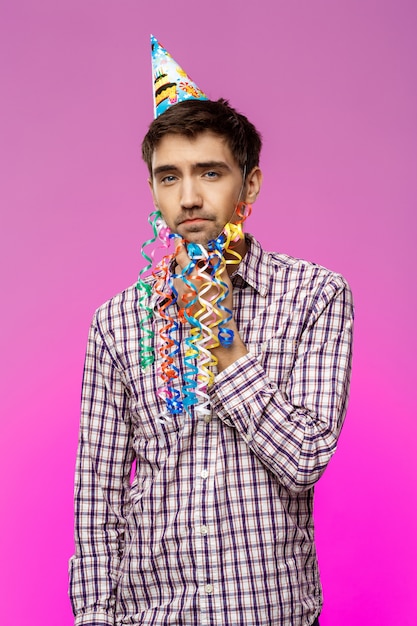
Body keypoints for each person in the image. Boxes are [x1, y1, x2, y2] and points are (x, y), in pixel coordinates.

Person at [69, 40, 353, 626]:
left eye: (211, 173)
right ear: (152, 191)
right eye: (169, 177)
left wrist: (221, 339)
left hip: (266, 611)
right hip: (151, 614)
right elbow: (96, 495)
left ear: (248, 187)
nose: (190, 197)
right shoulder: (118, 322)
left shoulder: (315, 296)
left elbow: (304, 459)